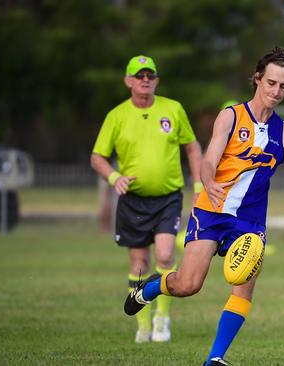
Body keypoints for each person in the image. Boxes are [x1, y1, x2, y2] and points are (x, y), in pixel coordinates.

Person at [124, 46, 284, 365]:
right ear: (258, 79)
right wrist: (210, 181)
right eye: (271, 82)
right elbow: (209, 160)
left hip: (249, 223)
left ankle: (215, 359)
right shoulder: (231, 116)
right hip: (211, 211)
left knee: (243, 287)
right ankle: (151, 288)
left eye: (283, 86)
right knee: (188, 285)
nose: (276, 91)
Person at [91, 55, 203, 343]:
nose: (145, 80)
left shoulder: (173, 109)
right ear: (128, 81)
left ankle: (162, 318)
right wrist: (115, 178)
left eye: (150, 75)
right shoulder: (117, 116)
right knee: (139, 263)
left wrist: (199, 182)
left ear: (157, 80)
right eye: (139, 75)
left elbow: (192, 147)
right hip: (133, 200)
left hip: (168, 197)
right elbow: (97, 157)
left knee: (165, 255)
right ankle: (142, 323)